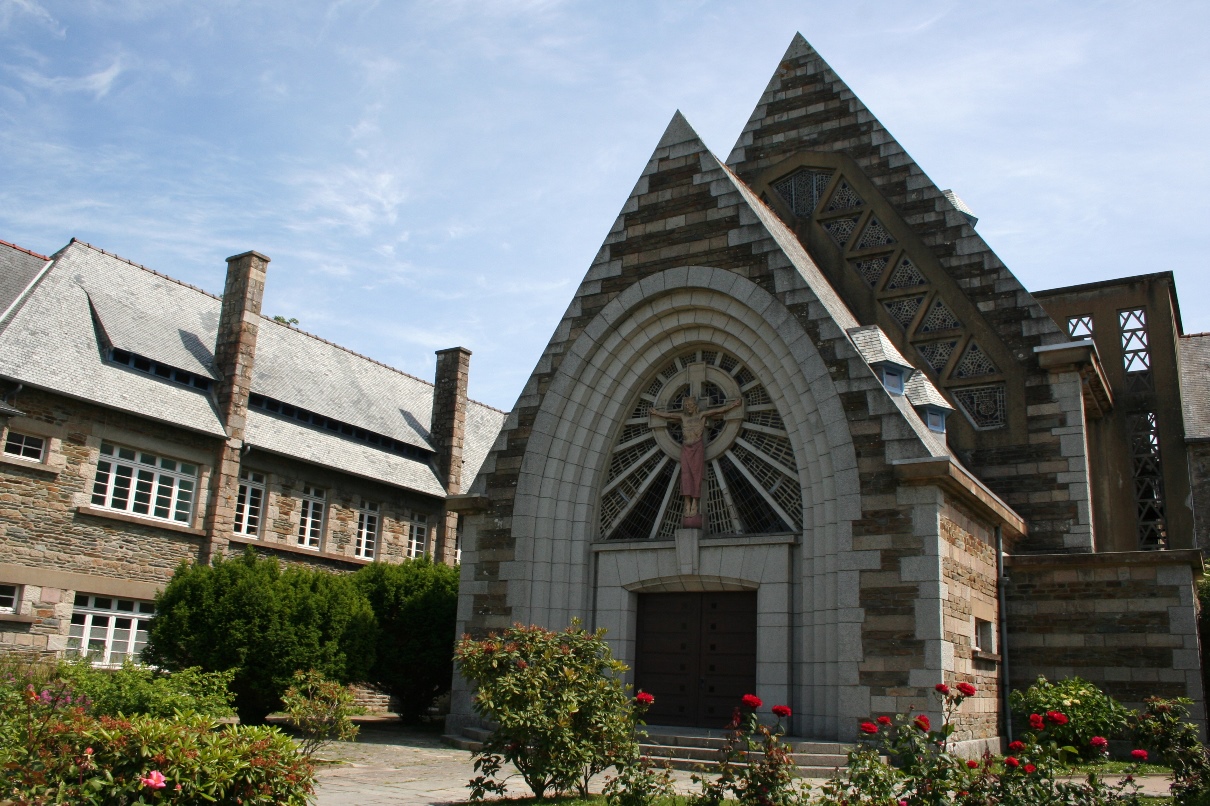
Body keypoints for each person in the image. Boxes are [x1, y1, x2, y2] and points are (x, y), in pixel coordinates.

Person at [650, 396, 740, 522]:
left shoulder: (701, 415)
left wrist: (733, 405)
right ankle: (687, 502)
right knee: (685, 475)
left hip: (697, 446)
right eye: (686, 405)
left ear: (695, 405)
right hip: (686, 447)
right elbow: (669, 415)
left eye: (690, 405)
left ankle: (695, 503)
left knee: (696, 474)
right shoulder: (683, 417)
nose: (688, 407)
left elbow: (718, 411)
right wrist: (656, 413)